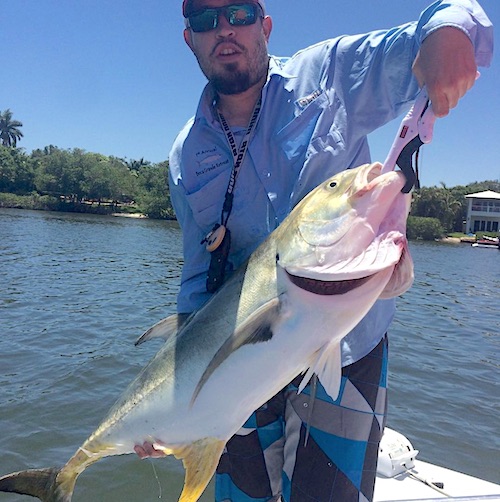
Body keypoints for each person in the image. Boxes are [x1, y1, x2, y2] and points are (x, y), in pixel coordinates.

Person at [135, 1, 493, 500]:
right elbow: (199, 281)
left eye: (238, 13)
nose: (224, 30)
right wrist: (172, 401)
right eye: (204, 20)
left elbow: (440, 32)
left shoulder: (333, 76)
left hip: (347, 349)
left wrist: (450, 32)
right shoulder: (185, 156)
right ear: (188, 38)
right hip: (240, 361)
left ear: (265, 25)